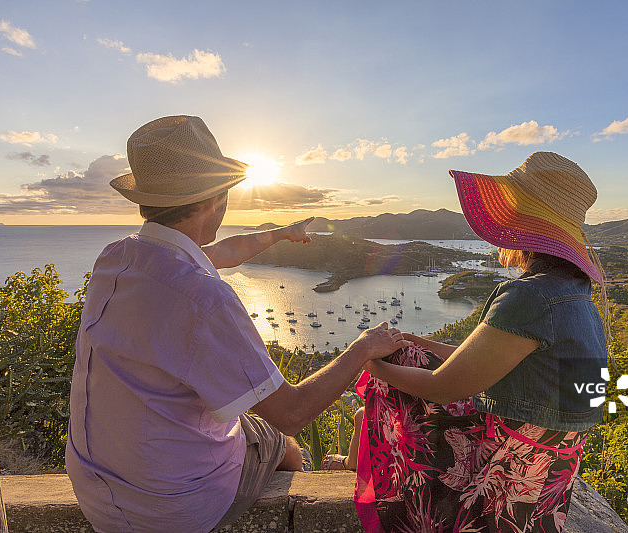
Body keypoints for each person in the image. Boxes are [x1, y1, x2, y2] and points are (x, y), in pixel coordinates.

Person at [65, 115, 410, 533]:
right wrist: (364, 347)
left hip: (95, 489)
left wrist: (278, 233)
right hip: (172, 509)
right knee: (285, 445)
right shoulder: (204, 298)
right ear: (214, 200)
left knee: (240, 418)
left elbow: (220, 251)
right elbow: (291, 412)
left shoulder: (118, 258)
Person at [323, 152, 609, 532]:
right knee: (408, 350)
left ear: (521, 224)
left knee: (396, 368)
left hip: (498, 477)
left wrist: (370, 360)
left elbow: (443, 388)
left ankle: (380, 486)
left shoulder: (529, 297)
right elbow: (481, 360)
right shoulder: (577, 297)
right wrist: (416, 340)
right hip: (545, 479)